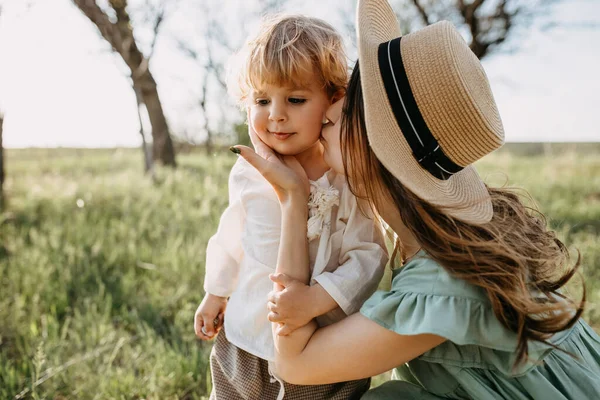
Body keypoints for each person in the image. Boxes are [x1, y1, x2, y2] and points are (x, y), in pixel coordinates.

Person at [232, 0, 600, 398]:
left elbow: (294, 363)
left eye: (342, 111)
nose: (325, 114)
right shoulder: (446, 234)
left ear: (374, 145)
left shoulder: (446, 278)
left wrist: (293, 199)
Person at [194, 13, 388, 400]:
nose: (276, 114)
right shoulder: (250, 172)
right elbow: (233, 234)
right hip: (247, 334)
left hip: (321, 347)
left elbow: (367, 255)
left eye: (295, 99)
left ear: (333, 99)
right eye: (261, 100)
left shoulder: (344, 175)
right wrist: (216, 291)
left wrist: (316, 300)